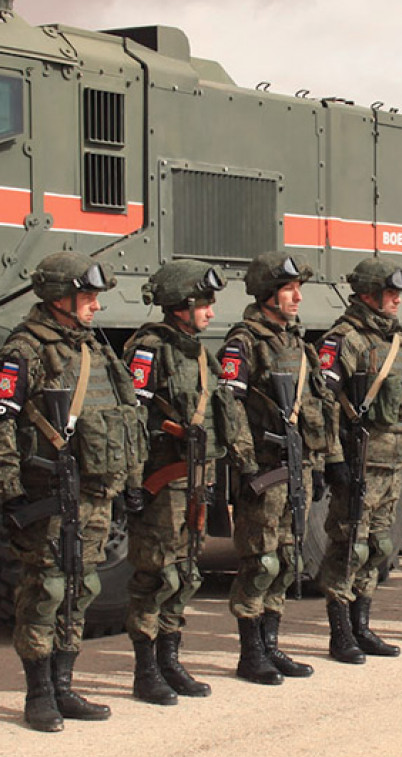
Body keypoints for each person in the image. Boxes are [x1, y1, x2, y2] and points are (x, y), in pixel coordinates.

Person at [0, 251, 147, 733]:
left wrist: (131, 482)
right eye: (87, 296)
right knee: (46, 590)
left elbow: (126, 418)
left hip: (94, 493)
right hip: (49, 495)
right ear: (60, 299)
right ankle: (38, 694)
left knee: (81, 587)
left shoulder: (92, 348)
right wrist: (10, 492)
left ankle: (65, 685)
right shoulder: (25, 351)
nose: (95, 306)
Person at [124, 259, 255, 701]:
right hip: (163, 483)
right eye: (204, 304)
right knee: (156, 575)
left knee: (186, 572)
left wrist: (241, 461)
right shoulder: (148, 350)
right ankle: (146, 670)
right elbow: (133, 419)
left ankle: (170, 660)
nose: (211, 313)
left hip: (197, 481)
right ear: (180, 304)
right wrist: (131, 482)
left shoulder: (200, 352)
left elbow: (226, 413)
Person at [220, 252, 330, 684]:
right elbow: (231, 408)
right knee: (259, 562)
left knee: (285, 560)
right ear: (267, 294)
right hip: (265, 472)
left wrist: (319, 460)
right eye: (288, 289)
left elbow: (317, 409)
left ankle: (271, 645)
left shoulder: (297, 345)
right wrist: (246, 465)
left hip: (296, 469)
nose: (297, 296)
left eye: (297, 288)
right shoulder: (243, 342)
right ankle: (251, 654)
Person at [316, 258, 402, 663]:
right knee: (350, 547)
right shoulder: (344, 340)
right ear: (367, 295)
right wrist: (333, 458)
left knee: (378, 545)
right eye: (390, 293)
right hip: (361, 462)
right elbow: (325, 403)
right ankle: (340, 631)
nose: (397, 300)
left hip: (393, 462)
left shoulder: (399, 342)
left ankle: (363, 626)